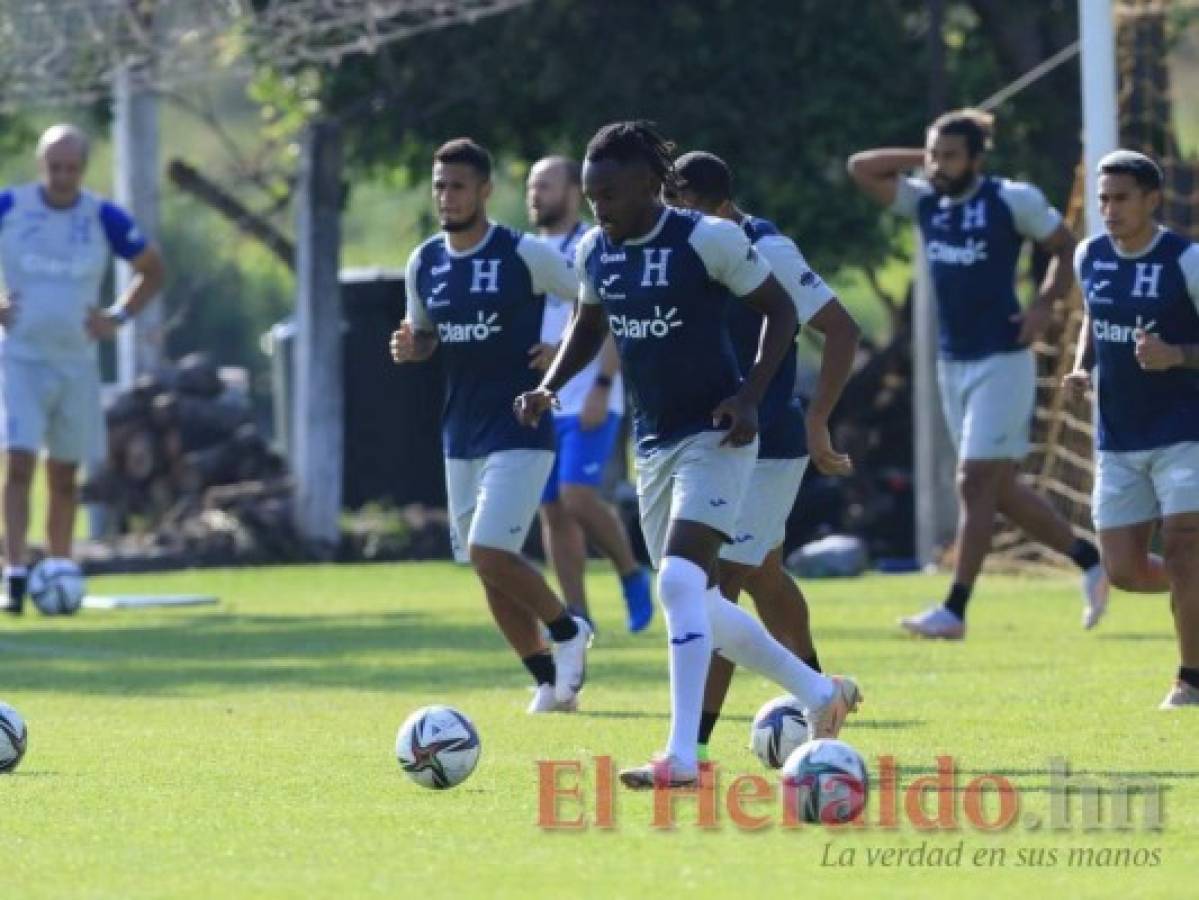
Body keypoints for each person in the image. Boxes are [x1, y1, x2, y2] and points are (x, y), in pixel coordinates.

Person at [515, 122, 861, 789]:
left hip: (718, 436)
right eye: (591, 196)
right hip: (653, 441)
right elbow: (589, 326)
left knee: (680, 583)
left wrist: (750, 396)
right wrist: (547, 387)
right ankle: (820, 694)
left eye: (610, 194)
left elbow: (781, 313)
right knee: (696, 598)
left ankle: (682, 756)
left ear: (651, 186)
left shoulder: (708, 239)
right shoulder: (595, 250)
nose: (599, 207)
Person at [847, 108, 1108, 639]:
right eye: (934, 154)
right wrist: (922, 157)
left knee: (972, 481)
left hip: (1003, 359)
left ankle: (955, 609)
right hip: (952, 362)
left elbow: (1065, 247)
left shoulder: (1011, 200)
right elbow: (861, 168)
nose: (940, 165)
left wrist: (1043, 308)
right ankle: (1090, 561)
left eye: (951, 155)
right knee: (1000, 490)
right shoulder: (926, 200)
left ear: (977, 158)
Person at [666, 150, 861, 760]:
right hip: (716, 446)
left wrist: (818, 422)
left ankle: (690, 746)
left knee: (715, 590)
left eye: (685, 208)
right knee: (766, 574)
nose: (675, 222)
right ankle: (826, 692)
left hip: (769, 446)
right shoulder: (680, 251)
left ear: (721, 206)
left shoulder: (765, 250)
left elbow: (842, 329)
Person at [391, 138, 590, 714]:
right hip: (460, 432)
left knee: (489, 550)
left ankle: (570, 630)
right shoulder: (424, 261)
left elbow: (594, 297)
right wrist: (412, 346)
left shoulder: (521, 253)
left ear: (484, 191)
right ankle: (548, 681)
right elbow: (424, 335)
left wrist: (560, 349)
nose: (446, 197)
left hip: (521, 422)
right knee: (486, 569)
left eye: (457, 186)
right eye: (439, 186)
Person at [1, 124, 164, 613]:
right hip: (20, 359)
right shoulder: (11, 207)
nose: (62, 177)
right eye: (54, 168)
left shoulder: (102, 216)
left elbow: (151, 268)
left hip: (75, 363)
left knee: (64, 474)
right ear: (41, 166)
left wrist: (117, 316)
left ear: (83, 169)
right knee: (20, 462)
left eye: (71, 168)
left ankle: (59, 569)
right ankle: (14, 573)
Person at [1065, 150, 1199, 709]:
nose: (1109, 210)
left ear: (1151, 200)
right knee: (1121, 570)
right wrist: (1082, 364)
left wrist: (1177, 355)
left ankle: (1190, 679)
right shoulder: (1088, 256)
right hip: (1118, 438)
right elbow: (1096, 315)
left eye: (1121, 198)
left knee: (1185, 548)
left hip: (1185, 431)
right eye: (1103, 199)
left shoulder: (1185, 260)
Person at [525, 155, 653, 633]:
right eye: (531, 186)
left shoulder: (593, 244)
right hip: (545, 399)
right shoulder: (528, 252)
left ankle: (630, 572)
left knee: (577, 495)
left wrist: (602, 383)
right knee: (553, 508)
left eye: (546, 185)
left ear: (574, 192)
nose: (536, 195)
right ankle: (578, 615)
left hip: (591, 393)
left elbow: (614, 323)